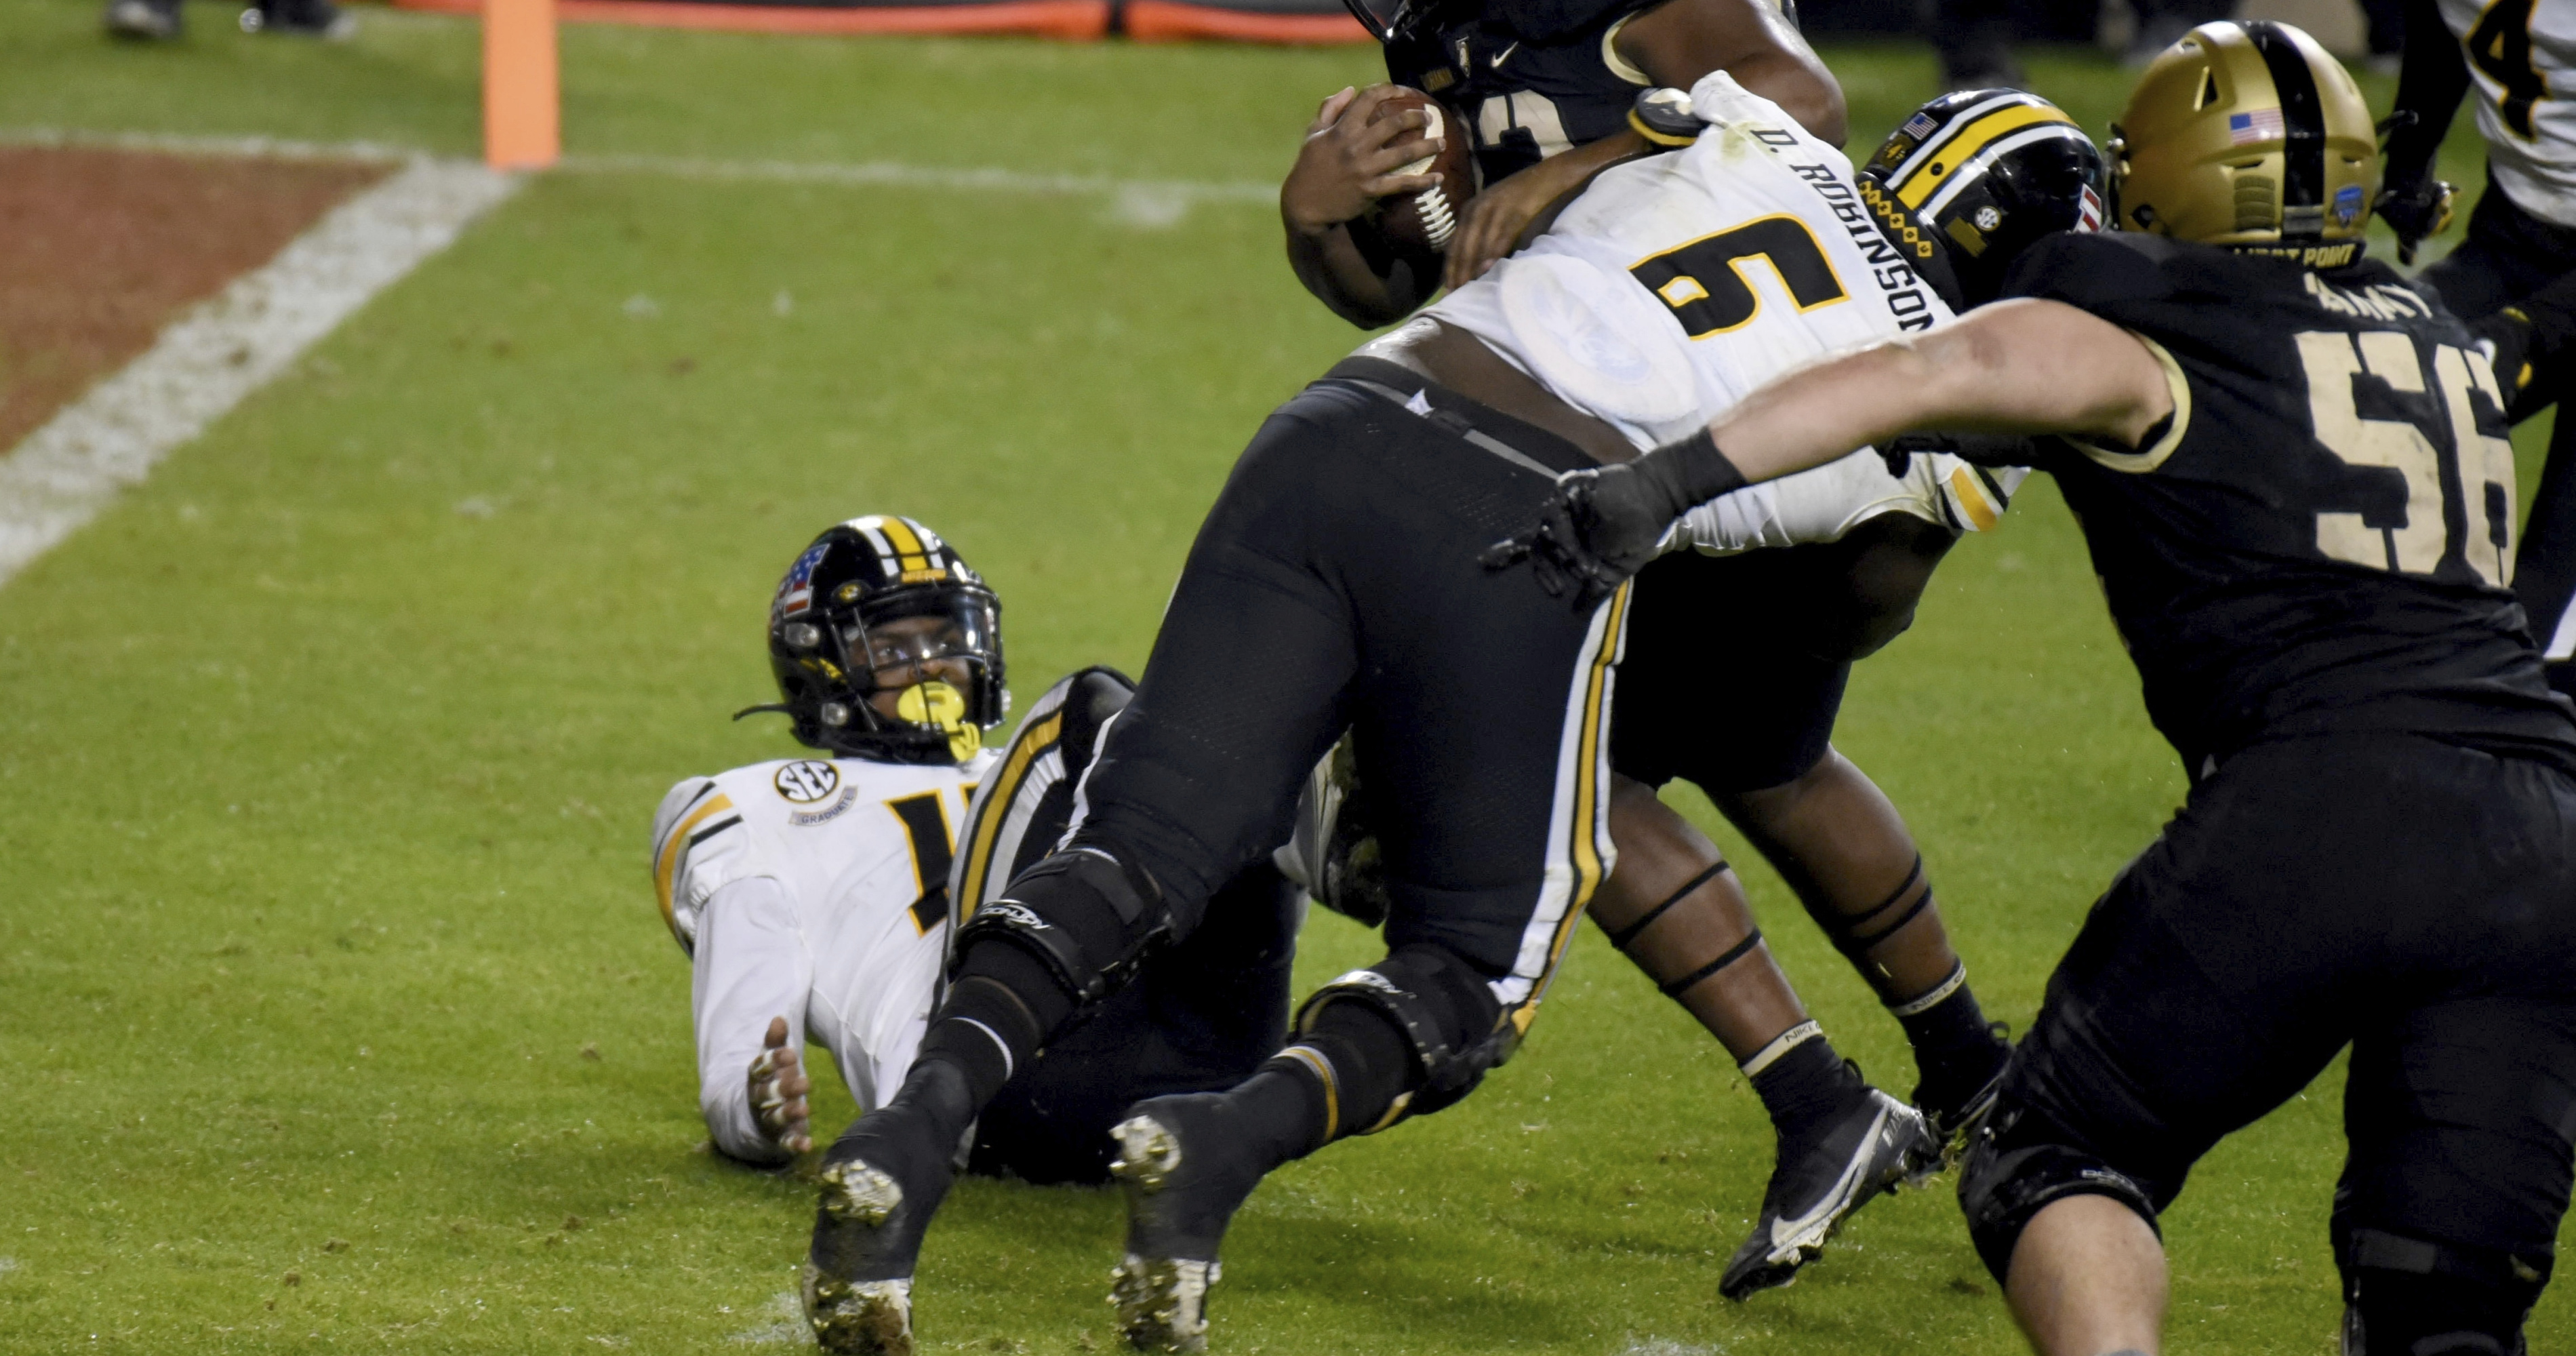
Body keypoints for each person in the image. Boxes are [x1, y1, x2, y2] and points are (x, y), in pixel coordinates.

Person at [795, 79, 2104, 1355]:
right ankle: (1216, 1151)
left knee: (1140, 847)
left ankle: (917, 1122)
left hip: (1344, 415)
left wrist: (1549, 181)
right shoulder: (1960, 412)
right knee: (1475, 965)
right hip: (1530, 511)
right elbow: (1842, 629)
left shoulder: (1758, 134)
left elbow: (1651, 127)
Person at [1493, 20, 2576, 1353]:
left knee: (2049, 1148)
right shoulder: (2435, 330)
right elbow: (2535, 328)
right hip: (2543, 842)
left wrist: (1661, 481)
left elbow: (1929, 373)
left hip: (2327, 800)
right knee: (2440, 1300)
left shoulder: (2131, 301)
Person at [1287, 0, 2019, 1235]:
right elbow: (1416, 283)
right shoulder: (1449, 34)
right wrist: (1316, 212)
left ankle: (1817, 1101)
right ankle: (1972, 1068)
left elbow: (1802, 102)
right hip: (1777, 443)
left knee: (1542, 767)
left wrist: (1589, 164)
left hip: (1731, 427)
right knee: (1766, 755)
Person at [651, 517, 1298, 1184]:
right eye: (894, 645)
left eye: (946, 636)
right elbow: (748, 983)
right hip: (989, 1075)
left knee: (1249, 737)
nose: (930, 662)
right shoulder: (760, 804)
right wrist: (747, 1105)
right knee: (1085, 710)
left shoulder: (1008, 768)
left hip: (1197, 1065)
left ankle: (1336, 854)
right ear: (820, 662)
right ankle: (1330, 853)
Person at [2379, 0, 2575, 694]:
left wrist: (2528, 329)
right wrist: (2408, 153)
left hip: (2544, 281)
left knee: (2545, 623)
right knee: (2338, 406)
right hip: (2517, 239)